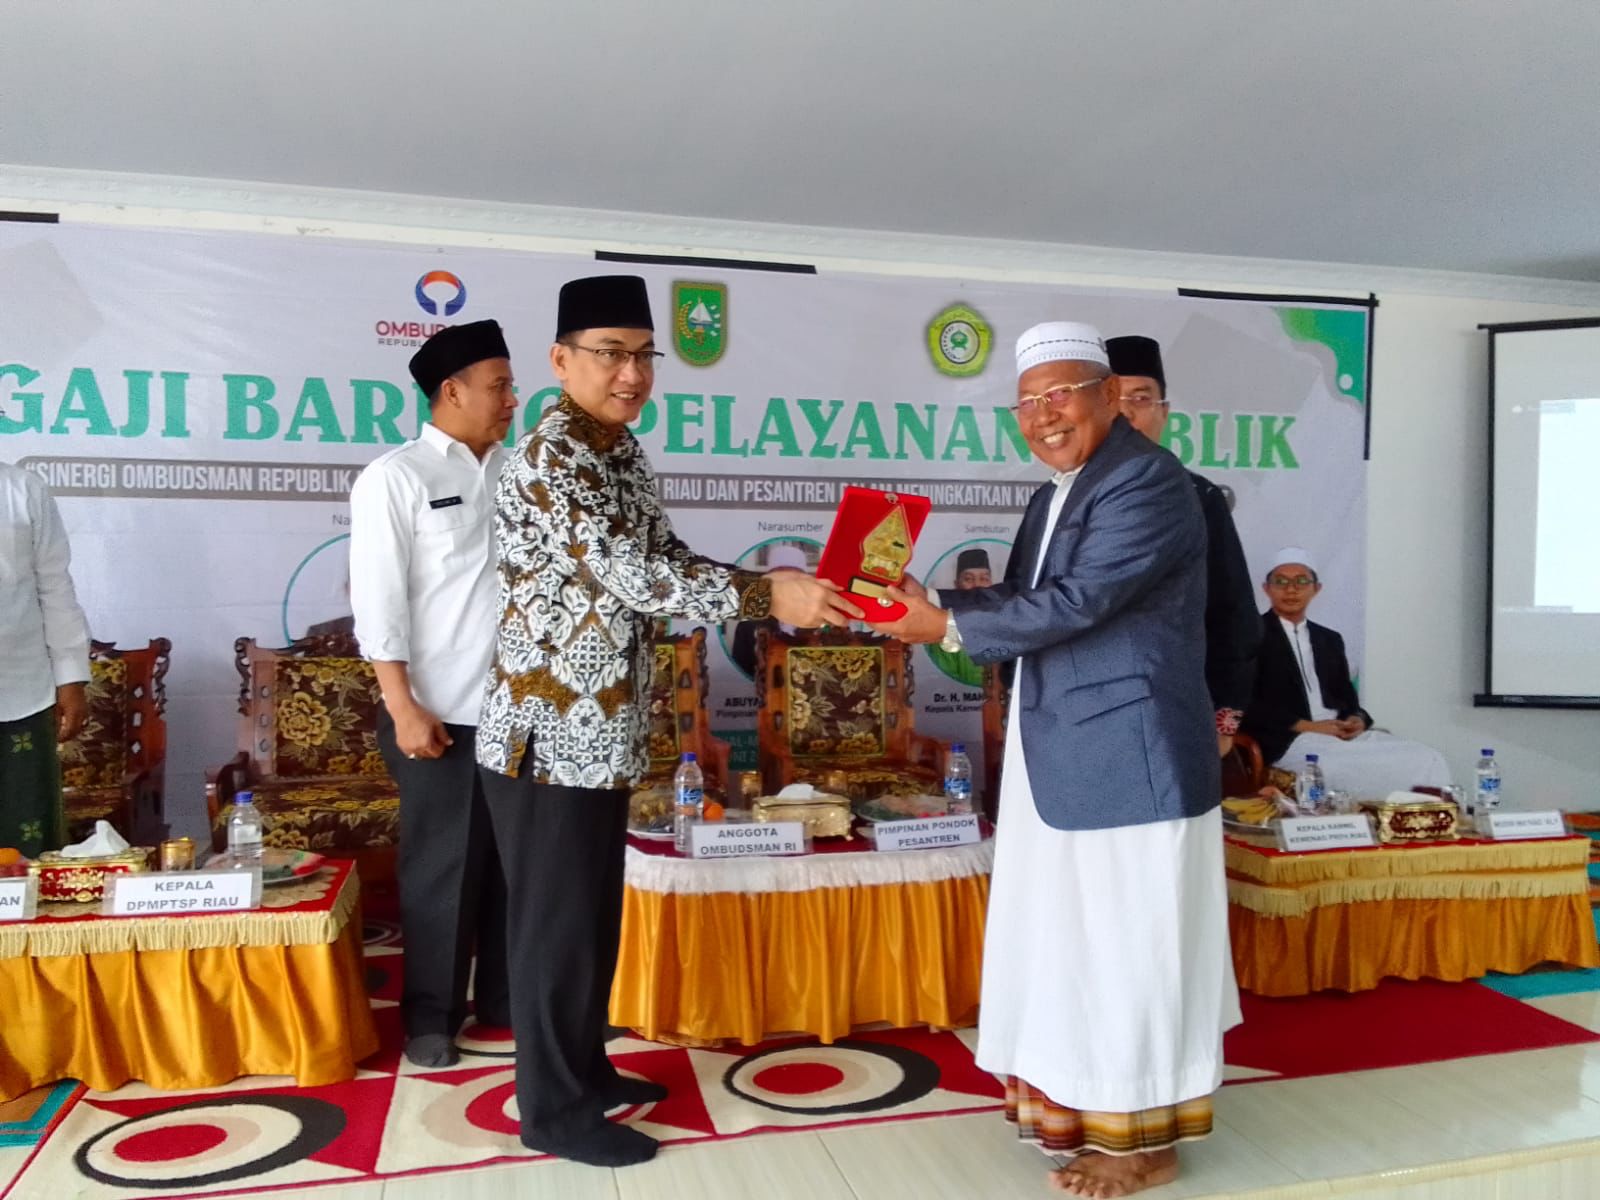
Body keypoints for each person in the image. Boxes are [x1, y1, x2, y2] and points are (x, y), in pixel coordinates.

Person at [475, 275, 860, 1168]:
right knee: (554, 928)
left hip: (602, 737)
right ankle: (552, 1110)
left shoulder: (620, 450)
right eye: (611, 354)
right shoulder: (551, 456)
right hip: (547, 736)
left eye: (645, 356)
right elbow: (632, 576)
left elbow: (667, 556)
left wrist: (774, 583)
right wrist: (766, 594)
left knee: (591, 920)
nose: (633, 373)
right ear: (560, 359)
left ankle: (586, 1071)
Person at [880, 321, 1239, 1198]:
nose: (1044, 416)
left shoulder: (1149, 482)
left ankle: (1141, 1143)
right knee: (1066, 945)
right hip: (1065, 752)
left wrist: (943, 626)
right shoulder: (1062, 490)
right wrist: (936, 600)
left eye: (1061, 395)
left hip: (1132, 758)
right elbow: (1031, 594)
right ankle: (1078, 1113)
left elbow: (1080, 601)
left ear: (1110, 396)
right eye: (1028, 403)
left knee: (1131, 950)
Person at [349, 319, 514, 1069]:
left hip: (522, 710)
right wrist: (402, 705)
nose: (511, 399)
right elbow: (378, 603)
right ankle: (431, 1018)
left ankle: (506, 1000)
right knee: (444, 868)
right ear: (452, 391)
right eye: (499, 386)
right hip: (439, 711)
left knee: (515, 865)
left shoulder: (519, 473)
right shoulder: (398, 477)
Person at [1108, 334, 1259, 755]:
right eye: (1114, 398)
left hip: (1175, 710)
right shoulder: (1063, 498)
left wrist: (1224, 722)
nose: (1126, 412)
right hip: (1087, 713)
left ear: (1164, 411)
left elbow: (1235, 615)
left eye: (1141, 398)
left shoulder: (1199, 498)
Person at [1242, 547, 1450, 795]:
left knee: (1427, 758)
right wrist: (1307, 726)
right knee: (1332, 767)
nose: (1291, 589)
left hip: (1339, 734)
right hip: (1291, 739)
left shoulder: (1329, 639)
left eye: (1301, 581)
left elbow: (1347, 699)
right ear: (1266, 589)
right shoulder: (1250, 636)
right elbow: (1243, 703)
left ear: (1316, 589)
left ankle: (1424, 817)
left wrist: (1357, 720)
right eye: (1281, 582)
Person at [0, 460, 90, 857]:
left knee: (29, 840)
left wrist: (71, 677)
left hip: (20, 694)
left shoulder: (24, 489)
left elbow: (55, 587)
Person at [729, 541, 808, 678]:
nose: (786, 584)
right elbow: (740, 676)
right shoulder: (747, 627)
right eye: (780, 576)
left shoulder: (820, 625)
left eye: (792, 577)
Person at [927, 547, 994, 687]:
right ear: (956, 585)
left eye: (984, 579)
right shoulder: (943, 627)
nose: (977, 585)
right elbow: (946, 682)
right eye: (968, 579)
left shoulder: (1007, 622)